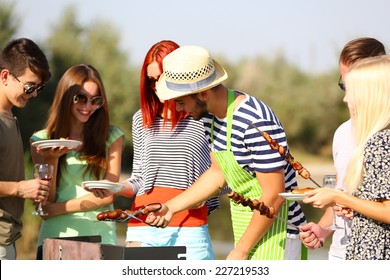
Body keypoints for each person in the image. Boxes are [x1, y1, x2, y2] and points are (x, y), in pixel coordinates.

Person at [147, 45, 307, 260]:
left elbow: (273, 196)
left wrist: (241, 250)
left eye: (181, 102)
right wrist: (170, 207)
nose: (178, 109)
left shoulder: (254, 123)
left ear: (203, 94)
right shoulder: (209, 117)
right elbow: (217, 174)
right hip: (249, 232)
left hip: (280, 234)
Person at [112, 40, 219, 260]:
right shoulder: (141, 118)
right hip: (143, 225)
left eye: (160, 78)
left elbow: (223, 176)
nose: (155, 86)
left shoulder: (204, 117)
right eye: (150, 81)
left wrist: (206, 195)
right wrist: (114, 187)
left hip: (190, 226)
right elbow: (140, 178)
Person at [299, 37, 386, 259]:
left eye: (352, 87)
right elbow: (342, 192)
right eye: (343, 84)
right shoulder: (342, 133)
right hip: (342, 254)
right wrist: (322, 230)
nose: (346, 97)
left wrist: (348, 202)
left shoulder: (382, 140)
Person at [30, 64, 124, 259]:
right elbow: (46, 200)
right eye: (81, 98)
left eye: (95, 100)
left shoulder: (112, 136)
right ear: (65, 96)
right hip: (55, 240)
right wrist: (52, 160)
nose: (87, 107)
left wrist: (55, 210)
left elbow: (108, 195)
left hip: (100, 239)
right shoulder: (40, 141)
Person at [0, 38, 51, 260]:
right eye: (30, 86)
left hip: (7, 239)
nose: (34, 94)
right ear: (5, 77)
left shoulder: (10, 117)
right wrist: (20, 188)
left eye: (39, 88)